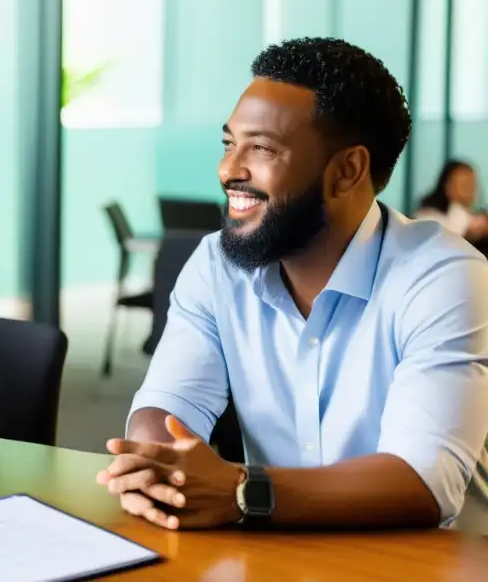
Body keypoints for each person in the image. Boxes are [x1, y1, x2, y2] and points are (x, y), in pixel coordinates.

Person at [98, 38, 488, 533]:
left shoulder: (444, 276)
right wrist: (159, 463)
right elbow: (168, 404)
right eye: (228, 143)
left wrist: (242, 490)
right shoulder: (216, 265)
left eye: (260, 148)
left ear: (347, 170)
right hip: (274, 553)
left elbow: (423, 482)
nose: (227, 170)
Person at [416, 160, 488, 249]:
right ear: (447, 186)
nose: (470, 189)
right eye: (464, 184)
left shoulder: (476, 216)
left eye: (472, 184)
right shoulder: (427, 216)